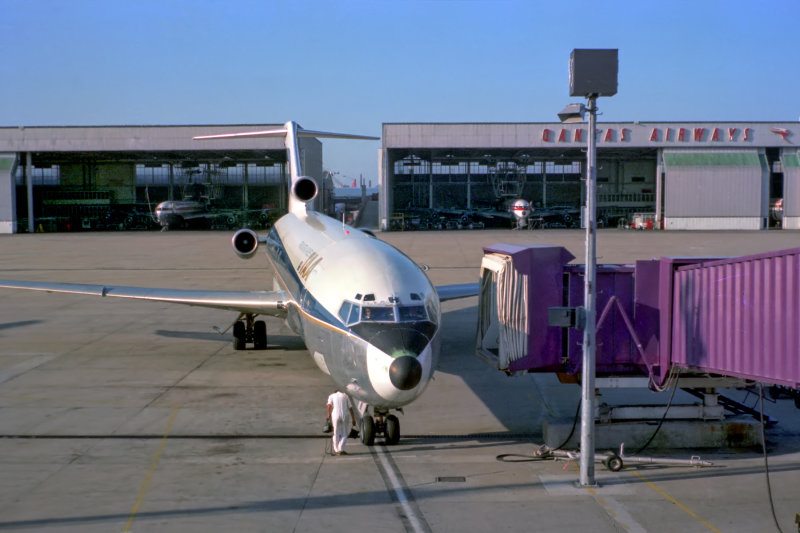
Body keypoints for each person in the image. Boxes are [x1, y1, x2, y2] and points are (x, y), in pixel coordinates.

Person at [326, 390, 355, 455]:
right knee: (344, 433)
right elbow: (350, 408)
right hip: (345, 415)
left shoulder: (332, 396)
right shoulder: (345, 396)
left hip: (335, 415)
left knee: (336, 432)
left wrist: (328, 414)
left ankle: (336, 450)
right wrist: (353, 419)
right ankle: (341, 449)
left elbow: (329, 405)